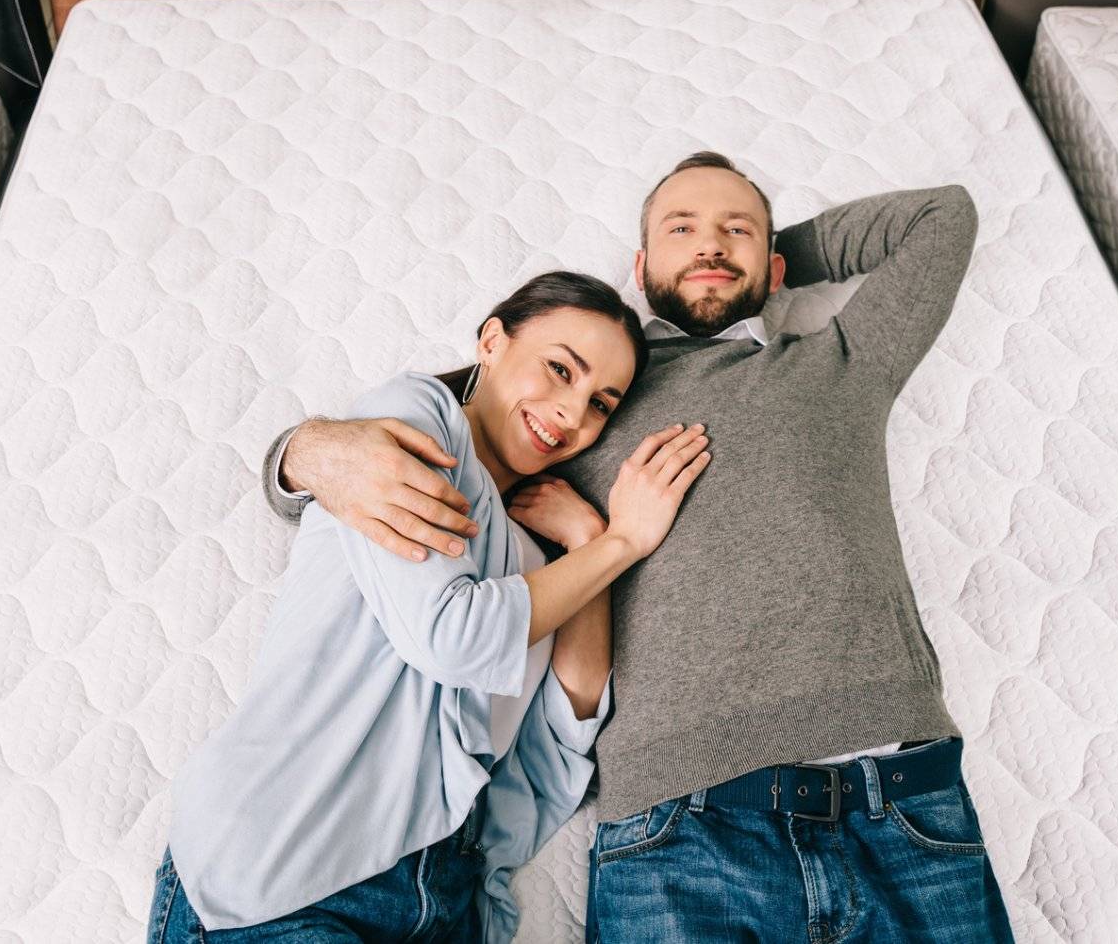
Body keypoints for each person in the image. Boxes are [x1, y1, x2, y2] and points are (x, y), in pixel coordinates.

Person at [264, 152, 1013, 942]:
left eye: (738, 231)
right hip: (678, 817)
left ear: (777, 260)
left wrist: (759, 260)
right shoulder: (583, 398)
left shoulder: (840, 367)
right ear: (640, 263)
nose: (710, 245)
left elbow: (945, 217)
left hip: (894, 793)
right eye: (681, 229)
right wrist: (298, 456)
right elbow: (413, 449)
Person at [154, 272, 712, 942]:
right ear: (492, 341)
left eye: (600, 404)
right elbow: (452, 636)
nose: (571, 412)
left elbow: (568, 725)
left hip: (446, 905)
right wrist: (622, 541)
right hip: (288, 878)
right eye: (560, 369)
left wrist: (587, 540)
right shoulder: (415, 422)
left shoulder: (538, 565)